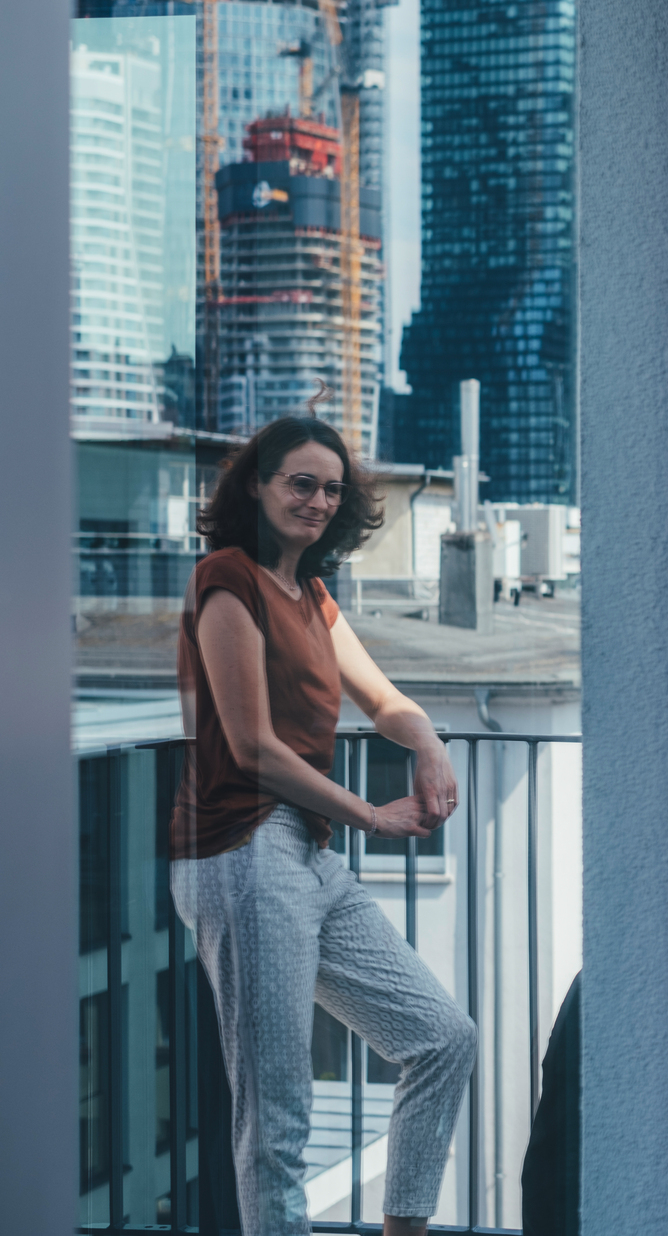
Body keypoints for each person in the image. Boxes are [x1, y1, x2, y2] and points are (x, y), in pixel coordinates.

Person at [169, 416, 475, 1236]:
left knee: (442, 1039)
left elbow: (383, 700)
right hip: (241, 847)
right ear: (258, 488)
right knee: (277, 1120)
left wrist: (431, 747)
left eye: (331, 488)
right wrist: (372, 813)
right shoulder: (225, 580)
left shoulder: (311, 597)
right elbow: (254, 749)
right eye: (300, 482)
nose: (317, 499)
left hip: (305, 852)